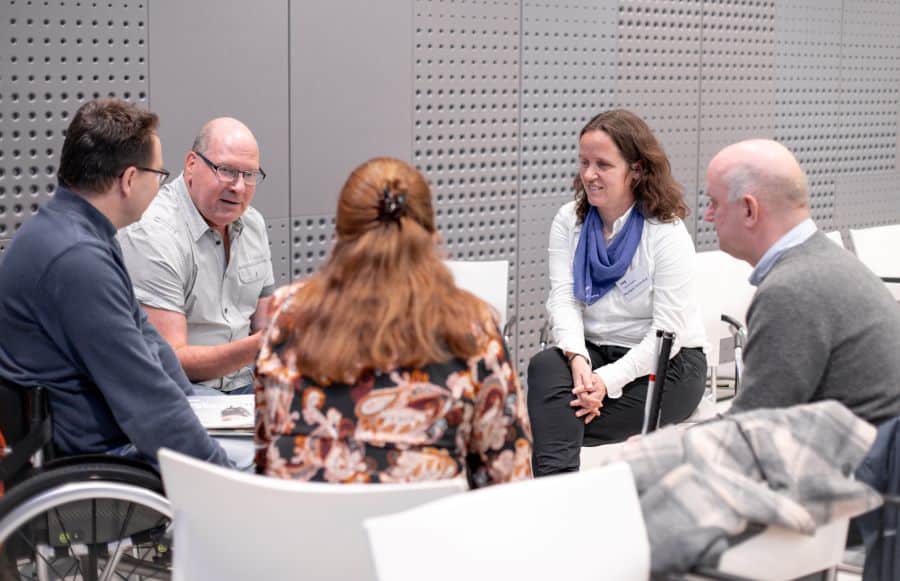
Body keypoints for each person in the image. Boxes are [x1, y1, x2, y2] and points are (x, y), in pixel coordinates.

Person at [254, 157, 532, 488]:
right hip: (422, 538)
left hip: (305, 535)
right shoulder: (472, 329)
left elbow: (267, 454)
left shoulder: (288, 312)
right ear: (431, 234)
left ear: (340, 234)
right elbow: (508, 484)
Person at [0, 98, 229, 466]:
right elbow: (144, 397)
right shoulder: (78, 259)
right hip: (105, 454)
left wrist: (196, 406)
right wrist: (221, 471)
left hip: (111, 432)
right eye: (158, 175)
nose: (160, 186)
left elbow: (148, 342)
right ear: (129, 179)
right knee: (263, 461)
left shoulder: (76, 233)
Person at [527, 109, 707, 477]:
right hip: (594, 354)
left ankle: (552, 490)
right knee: (545, 367)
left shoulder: (665, 233)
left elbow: (664, 336)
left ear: (636, 170)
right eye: (584, 163)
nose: (589, 175)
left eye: (603, 165)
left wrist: (605, 384)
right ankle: (560, 494)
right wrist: (579, 363)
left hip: (668, 364)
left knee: (554, 416)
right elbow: (563, 299)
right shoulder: (569, 220)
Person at [704, 139, 900, 424]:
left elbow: (753, 431)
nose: (708, 215)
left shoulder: (790, 290)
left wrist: (656, 449)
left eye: (714, 203)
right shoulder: (826, 263)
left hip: (857, 464)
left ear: (749, 209)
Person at [118, 117, 274, 395]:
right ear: (192, 164)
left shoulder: (253, 223)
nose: (238, 187)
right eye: (226, 171)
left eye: (249, 175)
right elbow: (170, 359)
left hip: (248, 381)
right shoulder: (154, 233)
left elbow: (265, 322)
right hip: (187, 388)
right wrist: (267, 342)